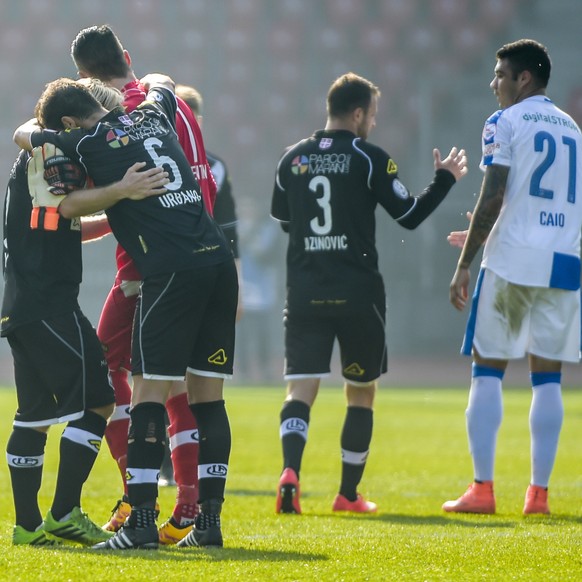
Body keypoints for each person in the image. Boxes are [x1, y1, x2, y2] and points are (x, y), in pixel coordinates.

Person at [14, 74, 237, 549]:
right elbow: (164, 85)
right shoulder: (155, 114)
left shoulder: (89, 141)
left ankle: (139, 525)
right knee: (208, 399)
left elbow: (30, 146)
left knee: (147, 395)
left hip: (172, 270)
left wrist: (119, 188)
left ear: (71, 122)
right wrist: (152, 82)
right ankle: (209, 526)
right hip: (218, 261)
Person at [270, 72, 468, 514]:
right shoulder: (368, 157)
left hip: (304, 290)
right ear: (358, 113)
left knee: (299, 389)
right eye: (372, 116)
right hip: (357, 293)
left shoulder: (292, 159)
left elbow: (285, 220)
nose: (373, 124)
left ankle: (289, 473)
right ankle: (347, 495)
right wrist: (445, 179)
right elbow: (411, 216)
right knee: (360, 391)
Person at [70, 24, 219, 545]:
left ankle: (141, 498)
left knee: (107, 372)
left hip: (149, 264)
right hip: (200, 245)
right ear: (126, 56)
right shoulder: (172, 104)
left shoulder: (118, 114)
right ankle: (189, 509)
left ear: (87, 82)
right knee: (181, 385)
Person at [3, 84, 167, 546]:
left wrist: (117, 212)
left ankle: (29, 526)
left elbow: (63, 223)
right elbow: (70, 204)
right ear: (71, 124)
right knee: (99, 399)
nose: (101, 129)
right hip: (48, 302)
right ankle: (63, 512)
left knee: (33, 414)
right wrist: (123, 190)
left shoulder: (39, 152)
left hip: (25, 302)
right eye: (95, 121)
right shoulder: (53, 150)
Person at [443, 39, 582, 516]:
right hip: (564, 260)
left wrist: (467, 261)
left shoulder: (504, 121)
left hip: (512, 261)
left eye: (500, 74)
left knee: (488, 370)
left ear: (524, 78)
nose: (493, 83)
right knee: (548, 379)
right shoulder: (573, 129)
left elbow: (495, 193)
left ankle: (482, 490)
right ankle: (538, 496)